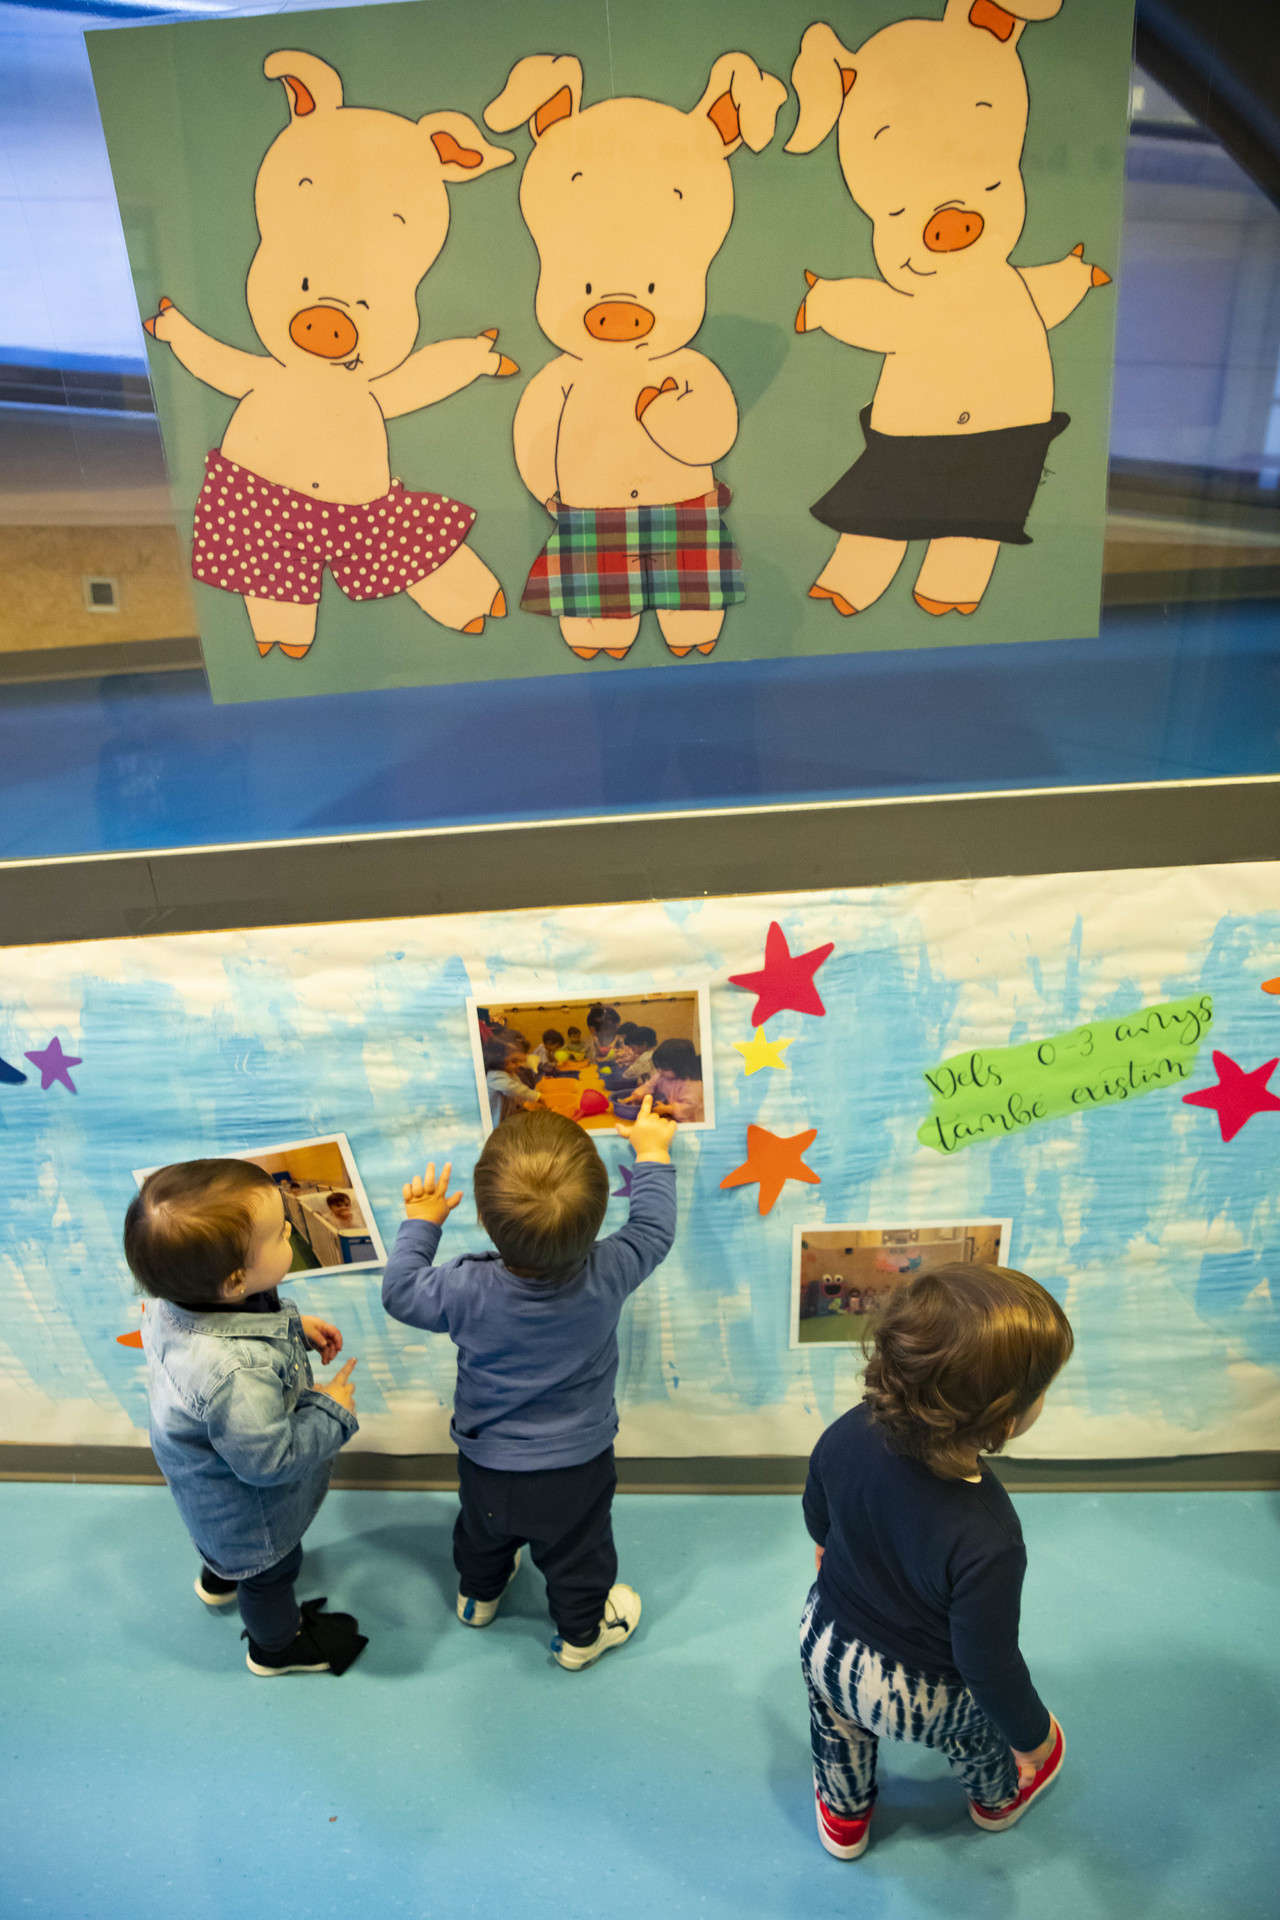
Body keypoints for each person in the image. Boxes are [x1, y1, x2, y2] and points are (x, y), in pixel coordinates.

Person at [381, 1097, 677, 1668]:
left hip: (486, 1460)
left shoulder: (463, 1288)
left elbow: (399, 1292)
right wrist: (653, 1154)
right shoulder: (611, 1268)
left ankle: (477, 1599)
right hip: (577, 1466)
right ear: (594, 1218)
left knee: (481, 1531)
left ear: (488, 1221)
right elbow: (654, 1228)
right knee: (577, 1556)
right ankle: (580, 1638)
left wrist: (422, 1223)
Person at [800, 1263, 1072, 1861]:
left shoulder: (849, 1429)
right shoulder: (989, 1534)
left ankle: (844, 1819)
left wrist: (825, 1543)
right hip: (926, 1694)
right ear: (1005, 1420)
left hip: (826, 1642)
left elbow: (818, 1498)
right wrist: (1031, 1738)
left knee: (836, 1731)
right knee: (976, 1736)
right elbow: (988, 1662)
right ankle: (997, 1801)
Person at [123, 1159, 366, 1678]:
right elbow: (270, 1461)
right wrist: (334, 1410)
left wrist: (293, 1328)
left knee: (224, 1544)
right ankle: (274, 1649)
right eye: (281, 1233)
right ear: (235, 1280)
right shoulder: (235, 1375)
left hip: (201, 1480)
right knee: (271, 1573)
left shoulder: (173, 1304)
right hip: (247, 1505)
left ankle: (218, 1580)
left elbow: (242, 1327)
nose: (290, 1232)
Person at [620, 1038, 705, 1122]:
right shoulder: (661, 1075)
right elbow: (649, 1085)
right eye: (658, 1066)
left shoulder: (691, 1084)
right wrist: (636, 1096)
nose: (660, 1071)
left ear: (683, 1067)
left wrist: (668, 1109)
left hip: (685, 1121)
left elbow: (690, 1106)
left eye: (665, 1068)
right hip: (665, 1116)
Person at [484, 1037, 542, 1128]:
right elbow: (513, 1089)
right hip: (496, 1123)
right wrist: (537, 1096)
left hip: (508, 1117)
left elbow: (519, 1093)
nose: (518, 1065)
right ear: (499, 1061)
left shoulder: (510, 1074)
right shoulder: (494, 1076)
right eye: (514, 1061)